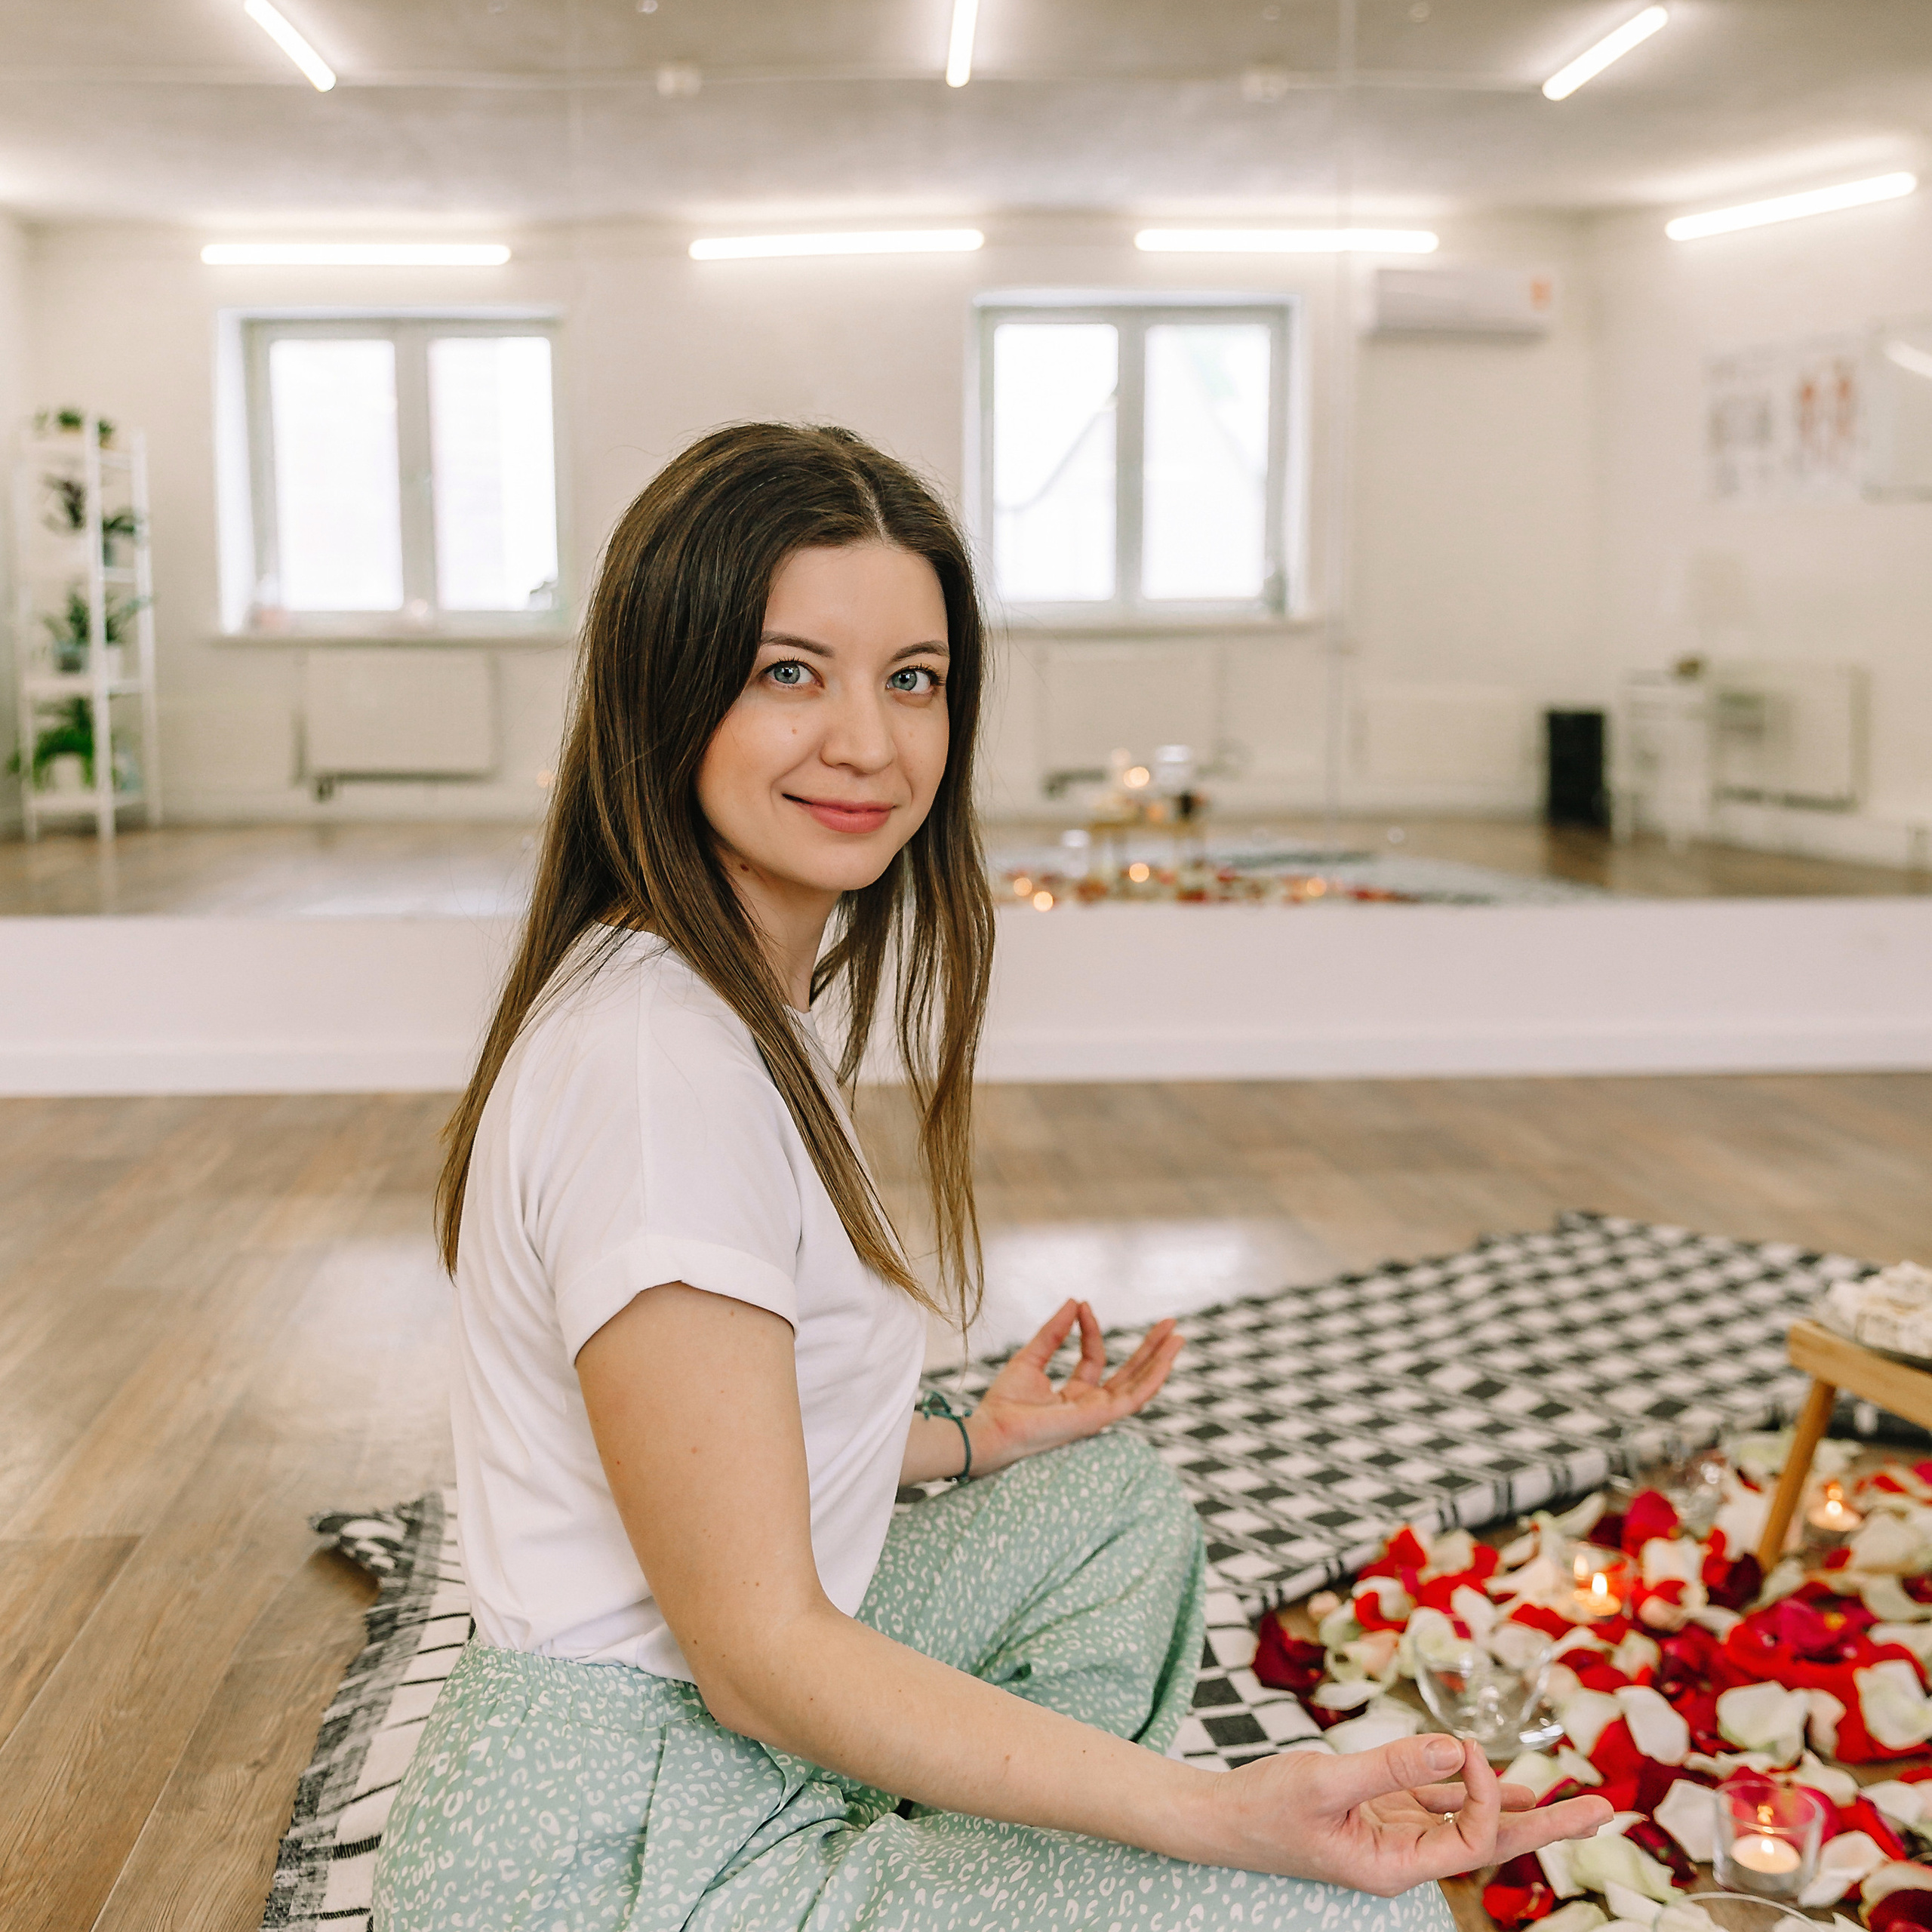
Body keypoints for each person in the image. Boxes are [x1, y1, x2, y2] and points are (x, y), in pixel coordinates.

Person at [371, 422, 1609, 1931]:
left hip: (684, 1745)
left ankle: (964, 1847)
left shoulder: (713, 996)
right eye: (786, 671)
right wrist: (1210, 1816)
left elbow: (690, 1444)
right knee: (1361, 1916)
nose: (869, 742)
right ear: (663, 687)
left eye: (912, 676)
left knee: (1094, 1503)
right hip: (608, 1851)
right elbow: (756, 1650)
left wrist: (970, 1439)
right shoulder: (656, 1072)